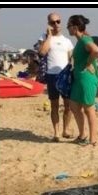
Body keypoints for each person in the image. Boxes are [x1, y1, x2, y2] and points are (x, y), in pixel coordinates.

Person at [36, 12, 75, 142]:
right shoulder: (44, 37)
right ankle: (56, 132)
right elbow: (42, 52)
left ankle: (66, 130)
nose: (56, 24)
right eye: (52, 22)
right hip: (51, 75)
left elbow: (71, 59)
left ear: (61, 22)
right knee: (54, 105)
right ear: (48, 23)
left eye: (58, 21)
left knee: (68, 105)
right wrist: (49, 36)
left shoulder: (67, 41)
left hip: (65, 75)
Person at [66, 14, 98, 146]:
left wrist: (88, 63)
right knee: (74, 105)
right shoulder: (82, 40)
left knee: (88, 109)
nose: (67, 28)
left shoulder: (85, 40)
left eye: (68, 26)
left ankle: (93, 139)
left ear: (75, 27)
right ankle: (82, 135)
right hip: (78, 79)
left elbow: (96, 50)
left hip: (87, 79)